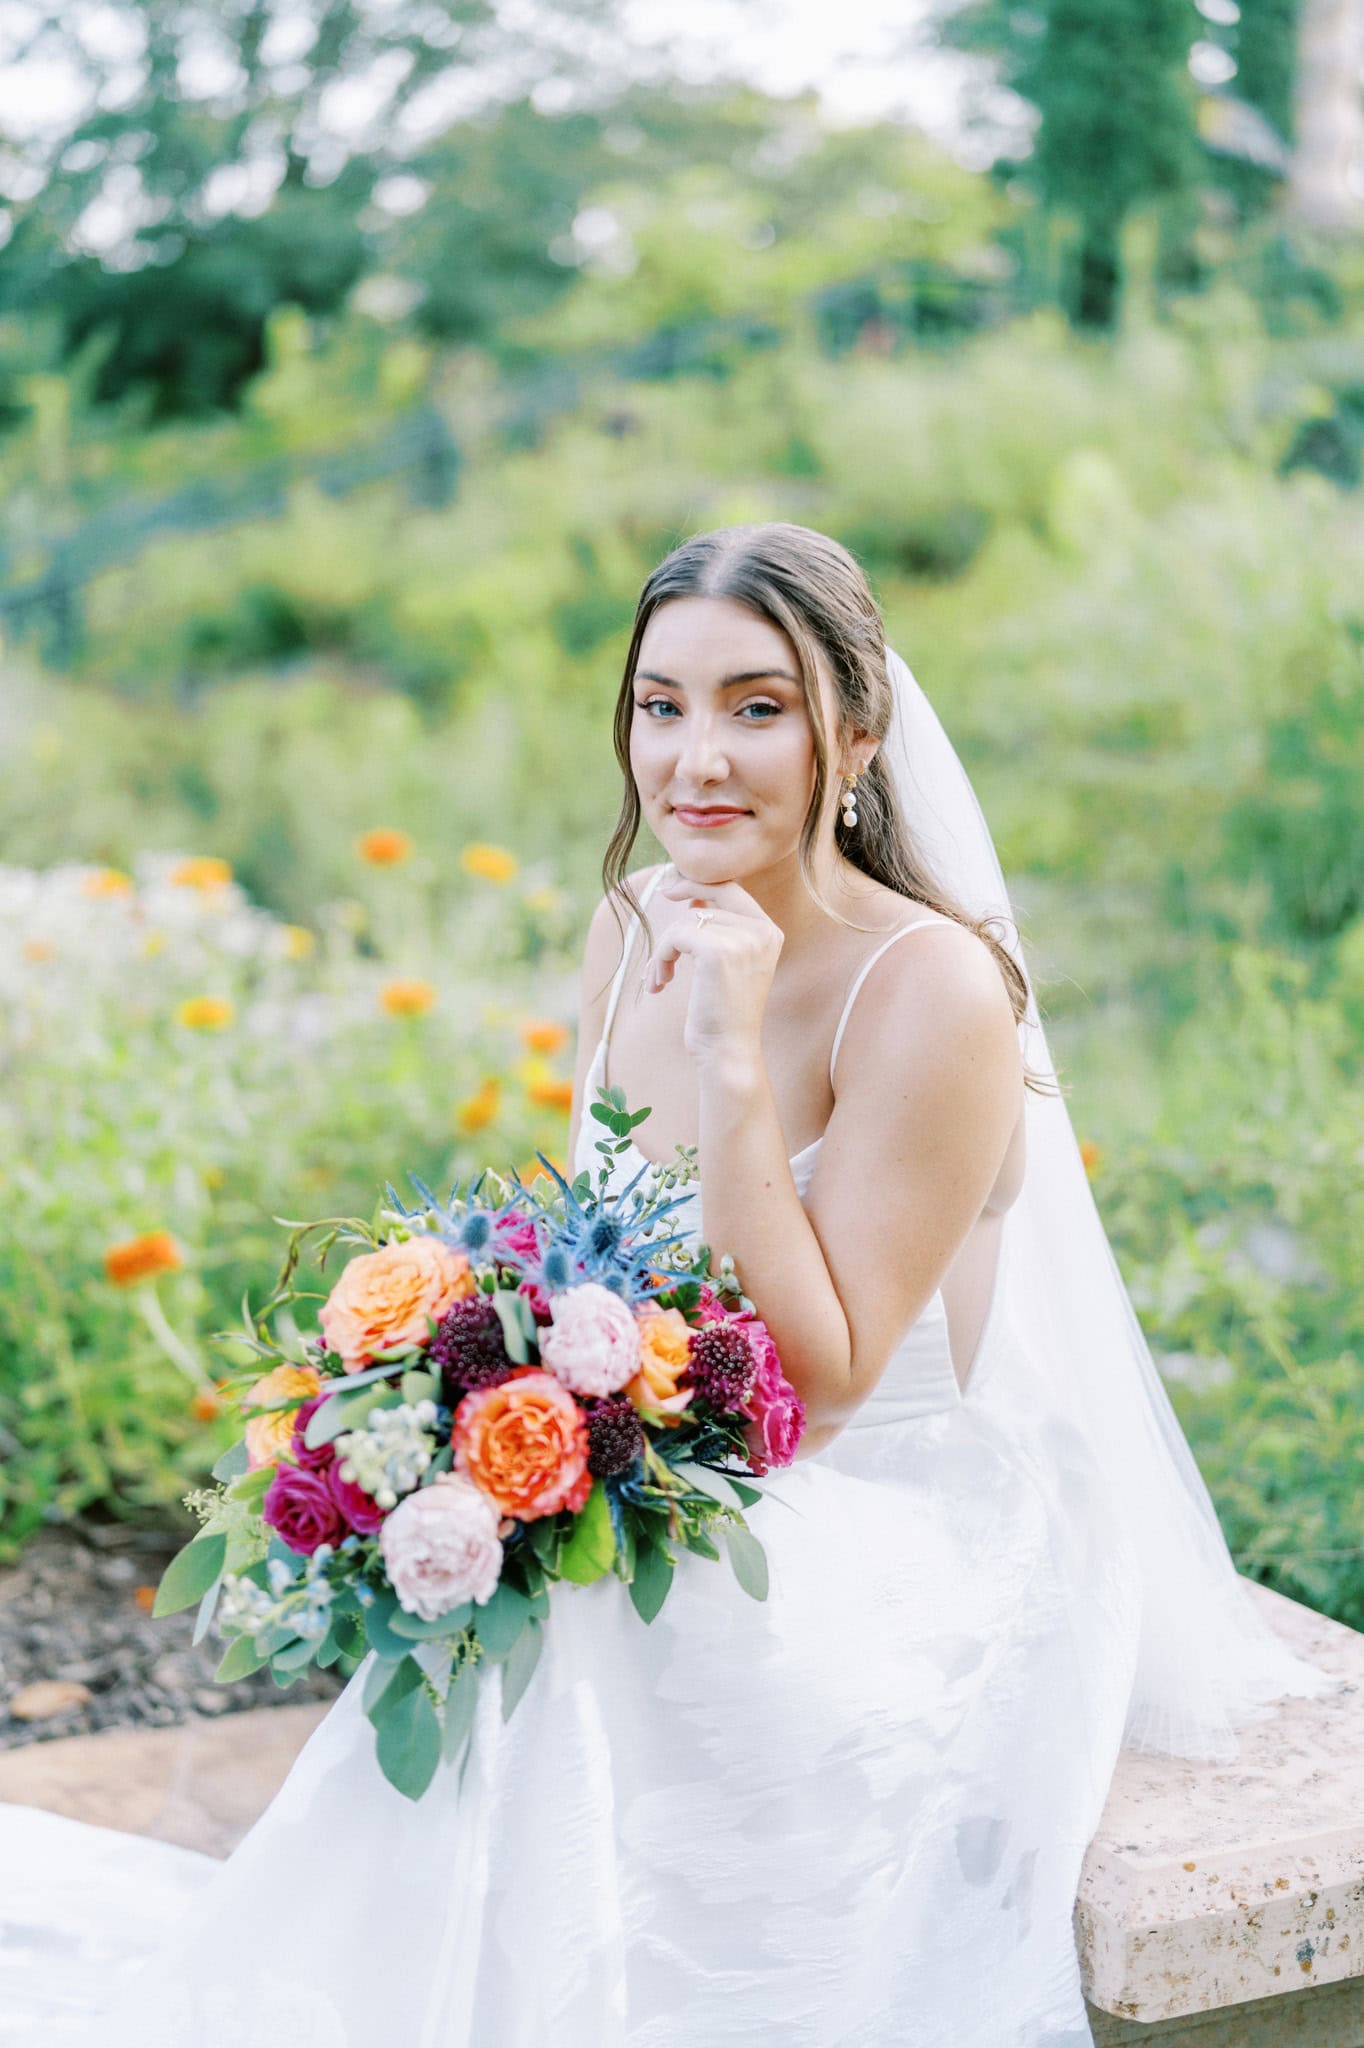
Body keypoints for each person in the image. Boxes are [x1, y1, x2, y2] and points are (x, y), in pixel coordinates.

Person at [0, 522, 1336, 2048]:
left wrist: (729, 1053)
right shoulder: (630, 918)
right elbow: (602, 1245)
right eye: (662, 705)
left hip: (902, 1506)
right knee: (506, 1570)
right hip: (698, 1452)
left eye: (758, 707)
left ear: (859, 733)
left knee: (592, 1625)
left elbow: (827, 1388)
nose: (698, 757)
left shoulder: (930, 989)